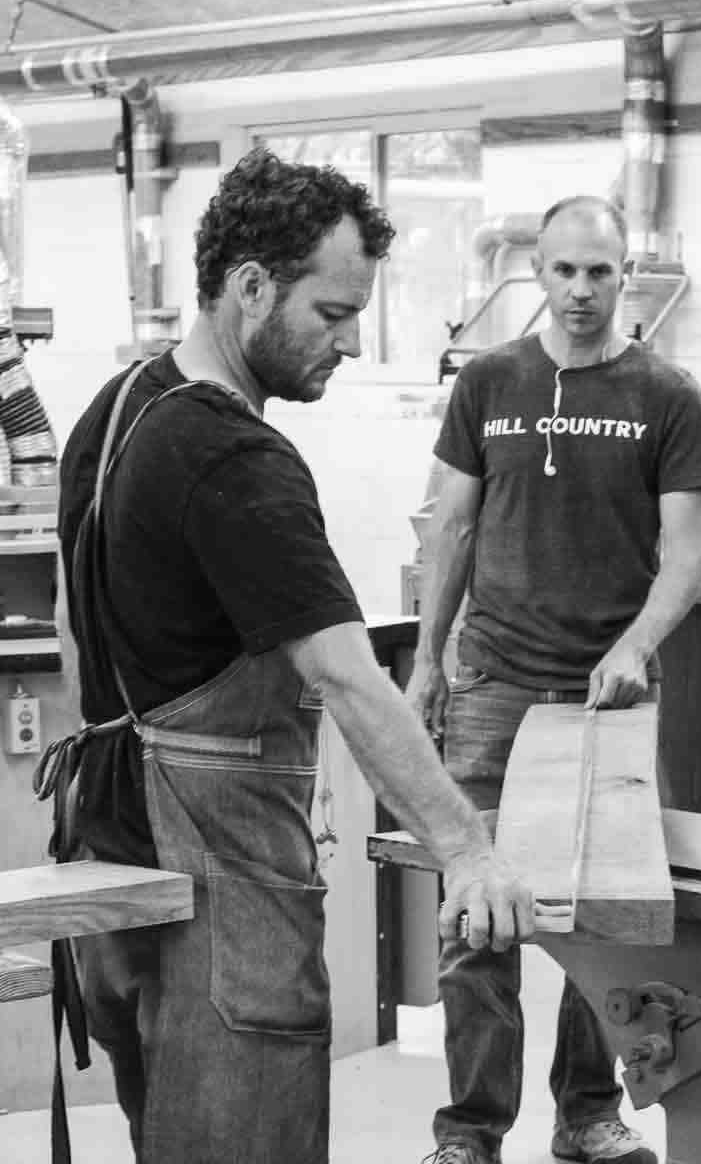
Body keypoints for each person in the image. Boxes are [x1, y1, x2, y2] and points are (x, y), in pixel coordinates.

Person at [54, 149, 537, 1164]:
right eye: (331, 313)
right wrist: (465, 847)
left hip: (112, 842)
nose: (350, 342)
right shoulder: (235, 456)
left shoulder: (113, 408)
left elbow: (69, 625)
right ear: (249, 288)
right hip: (219, 882)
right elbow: (345, 675)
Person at [406, 195, 701, 1164]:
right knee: (476, 928)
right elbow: (448, 528)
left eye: (599, 271)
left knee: (600, 931)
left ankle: (586, 1114)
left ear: (626, 274)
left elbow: (685, 554)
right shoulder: (488, 383)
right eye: (563, 271)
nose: (580, 291)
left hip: (607, 701)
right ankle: (469, 1129)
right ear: (534, 272)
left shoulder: (666, 395)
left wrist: (633, 645)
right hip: (492, 686)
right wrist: (424, 660)